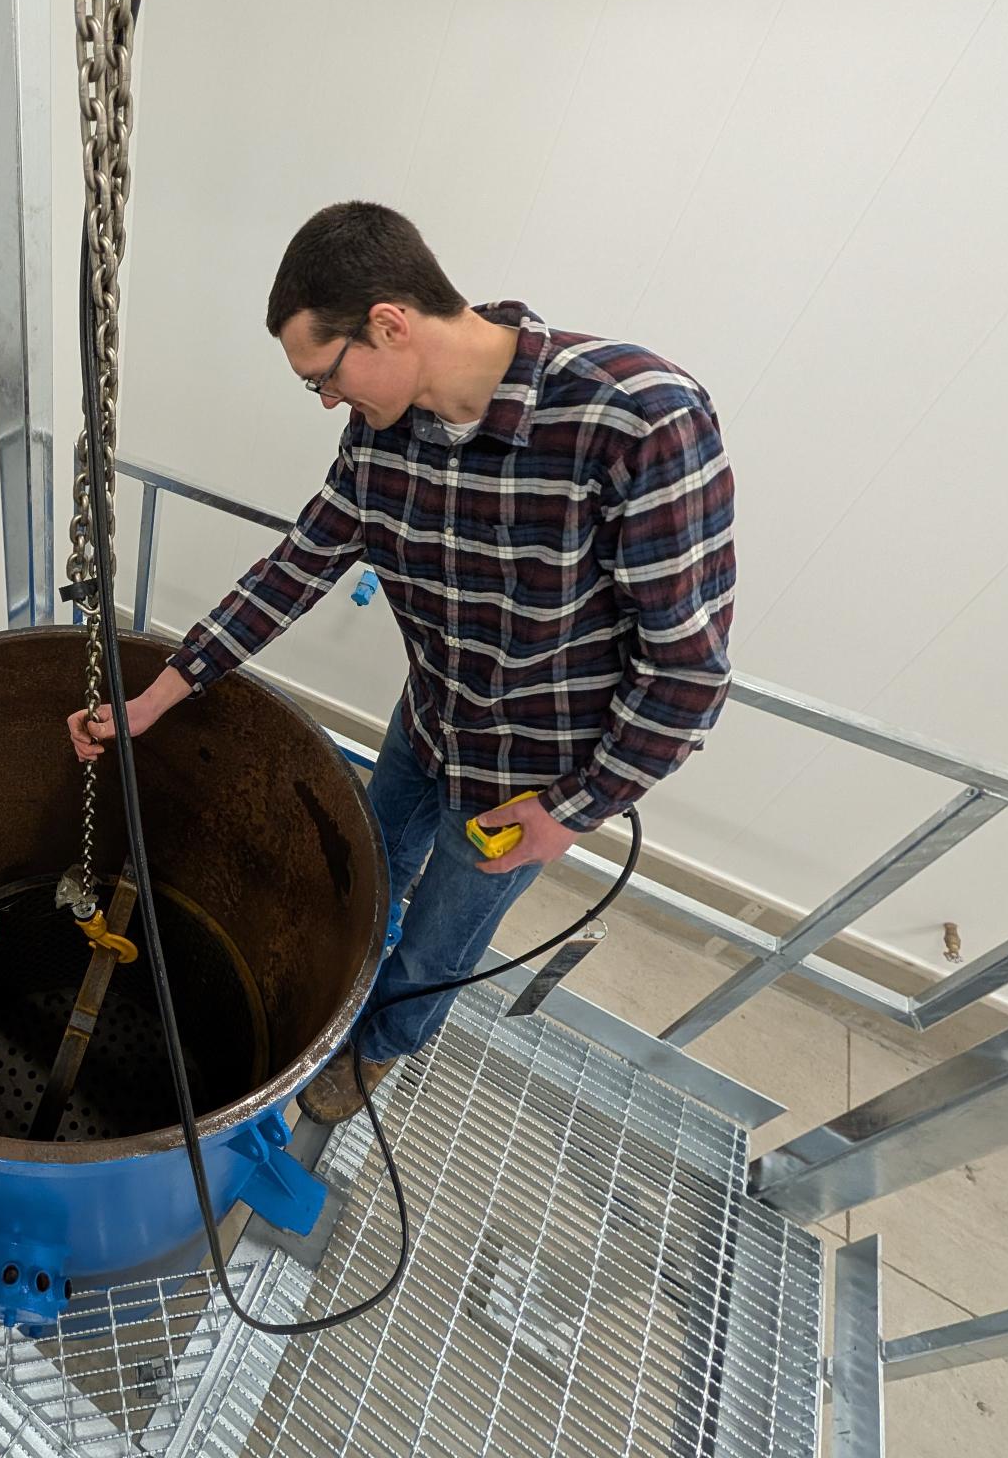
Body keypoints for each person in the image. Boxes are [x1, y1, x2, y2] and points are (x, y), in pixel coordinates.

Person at [69, 202, 735, 1123]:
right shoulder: (387, 432)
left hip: (522, 782)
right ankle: (335, 992)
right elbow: (301, 562)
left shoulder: (637, 420)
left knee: (438, 944)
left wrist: (573, 813)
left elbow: (686, 674)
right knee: (365, 864)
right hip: (427, 722)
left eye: (324, 377)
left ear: (388, 322)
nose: (330, 401)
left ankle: (380, 1047)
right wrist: (162, 693)